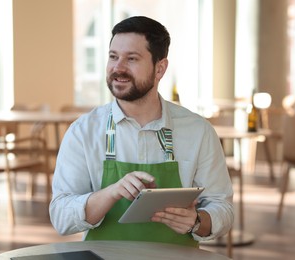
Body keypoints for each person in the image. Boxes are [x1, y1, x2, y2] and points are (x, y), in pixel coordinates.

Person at [49, 16, 234, 247]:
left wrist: (197, 221)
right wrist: (111, 193)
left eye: (132, 59)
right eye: (113, 57)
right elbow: (61, 217)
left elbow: (222, 207)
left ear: (160, 68)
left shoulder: (198, 131)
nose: (118, 68)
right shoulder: (83, 131)